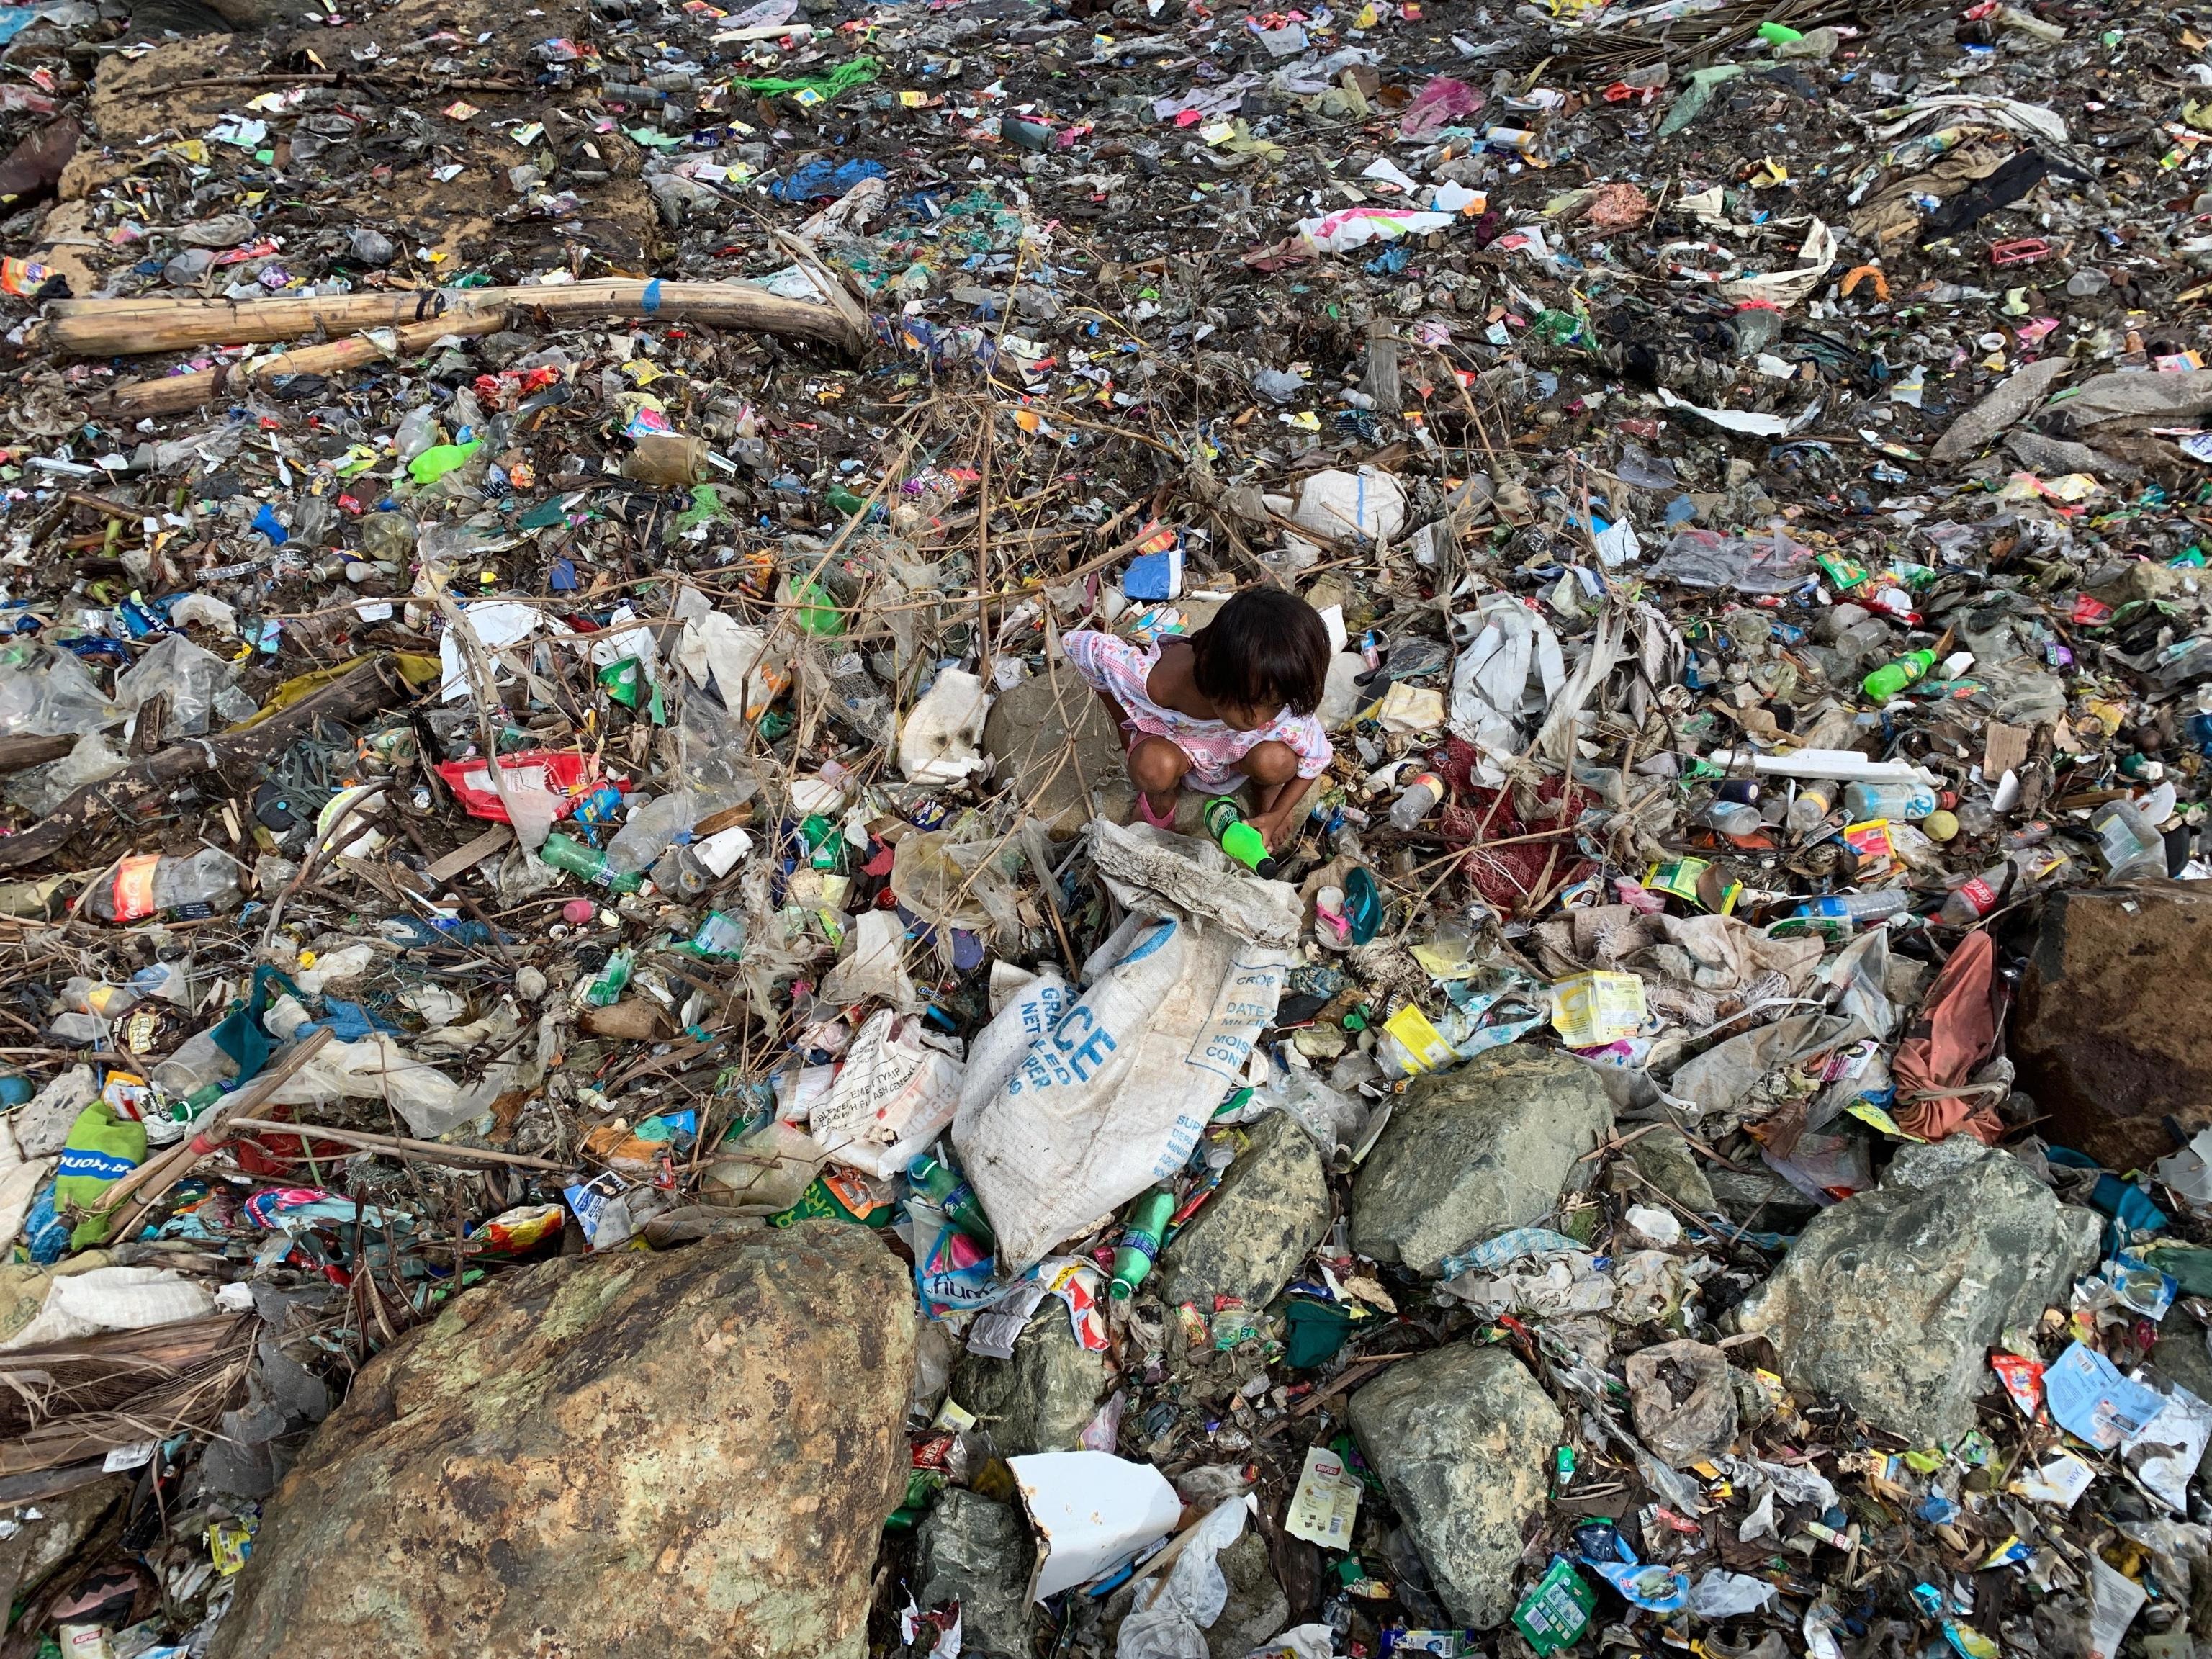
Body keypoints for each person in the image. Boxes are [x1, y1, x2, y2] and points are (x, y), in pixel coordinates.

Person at [1062, 587, 1333, 851]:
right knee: (1151, 769)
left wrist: (1278, 813)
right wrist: (1125, 724)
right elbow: (1082, 647)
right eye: (1247, 703)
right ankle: (1162, 798)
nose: (1258, 719)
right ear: (1212, 674)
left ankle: (1266, 787)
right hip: (1176, 745)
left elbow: (1316, 759)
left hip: (1240, 754)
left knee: (1279, 763)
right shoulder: (1158, 683)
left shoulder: (1279, 698)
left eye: (1274, 704)